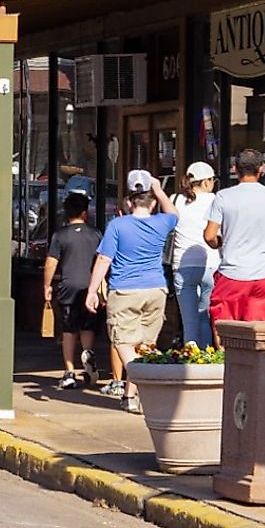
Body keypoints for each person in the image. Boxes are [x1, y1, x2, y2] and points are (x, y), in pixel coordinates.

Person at [85, 170, 175, 409]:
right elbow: (174, 213)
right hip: (155, 289)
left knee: (124, 343)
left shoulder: (117, 225)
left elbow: (104, 259)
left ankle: (142, 385)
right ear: (152, 200)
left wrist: (92, 290)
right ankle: (130, 396)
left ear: (128, 201)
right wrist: (158, 187)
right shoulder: (162, 222)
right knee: (145, 345)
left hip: (124, 290)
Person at [206, 149, 265, 327]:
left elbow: (209, 235)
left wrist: (219, 243)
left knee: (224, 325)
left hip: (232, 273)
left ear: (235, 169)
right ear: (261, 169)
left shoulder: (223, 197)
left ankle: (223, 356)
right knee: (262, 331)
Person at [40, 191, 102, 388]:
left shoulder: (60, 236)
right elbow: (103, 260)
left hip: (68, 288)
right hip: (91, 288)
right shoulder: (96, 234)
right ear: (85, 213)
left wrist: (47, 285)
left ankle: (69, 372)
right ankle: (88, 354)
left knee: (69, 330)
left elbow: (51, 262)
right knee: (88, 327)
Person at [172, 161, 219, 346]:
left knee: (189, 323)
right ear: (206, 182)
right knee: (205, 319)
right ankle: (207, 359)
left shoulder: (176, 200)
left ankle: (190, 365)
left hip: (183, 265)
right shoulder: (216, 200)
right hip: (211, 263)